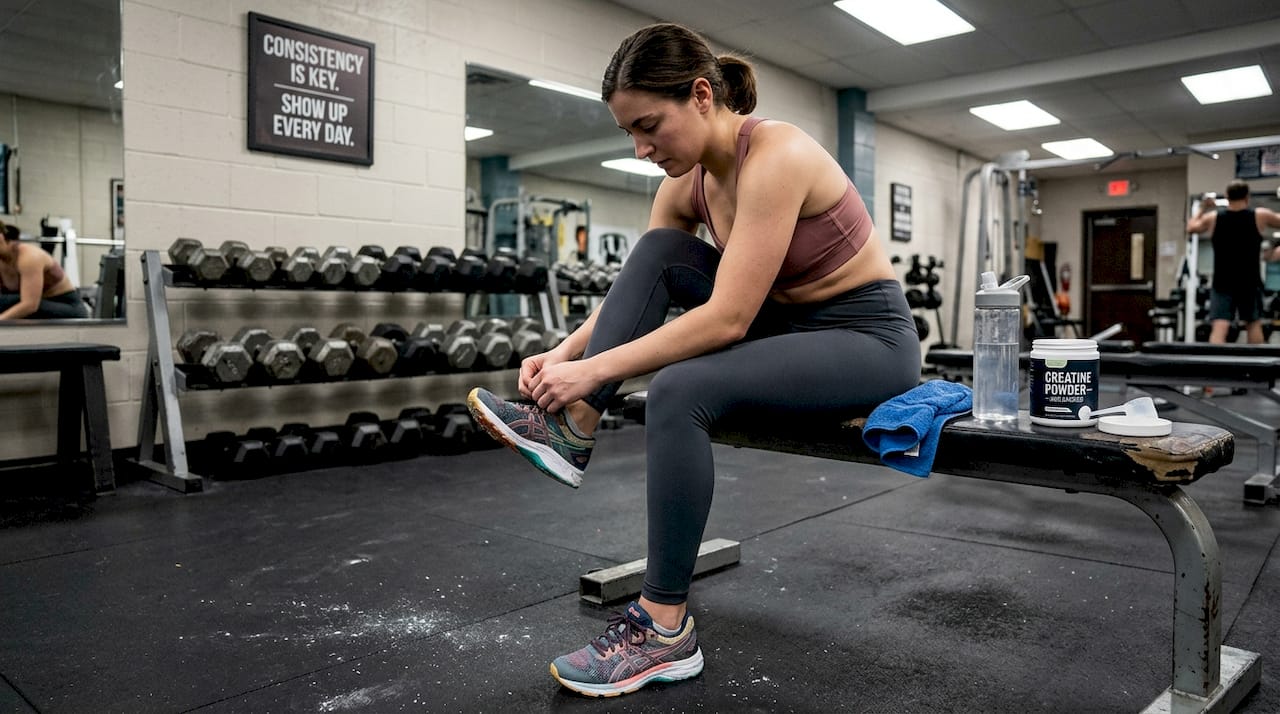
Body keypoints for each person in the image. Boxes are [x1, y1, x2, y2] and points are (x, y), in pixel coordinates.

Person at [466, 23, 920, 697]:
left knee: (679, 391)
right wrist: (564, 353)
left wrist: (591, 371)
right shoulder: (687, 183)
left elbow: (730, 318)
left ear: (702, 95)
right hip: (787, 327)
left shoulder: (777, 154)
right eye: (630, 134)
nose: (643, 148)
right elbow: (640, 288)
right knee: (656, 254)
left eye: (650, 126)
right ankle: (574, 427)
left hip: (866, 340)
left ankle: (664, 629)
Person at [1186, 180, 1280, 344]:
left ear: (1227, 196)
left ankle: (1216, 367)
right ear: (1247, 197)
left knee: (1220, 326)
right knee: (1252, 324)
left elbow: (1191, 227)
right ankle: (1256, 368)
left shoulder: (1214, 218)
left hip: (1223, 281)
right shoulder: (1260, 215)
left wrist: (1203, 207)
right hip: (1249, 280)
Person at [0, 221, 89, 320]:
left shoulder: (29, 257)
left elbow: (30, 305)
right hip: (41, 305)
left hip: (68, 308)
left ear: (2, 236)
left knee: (15, 302)